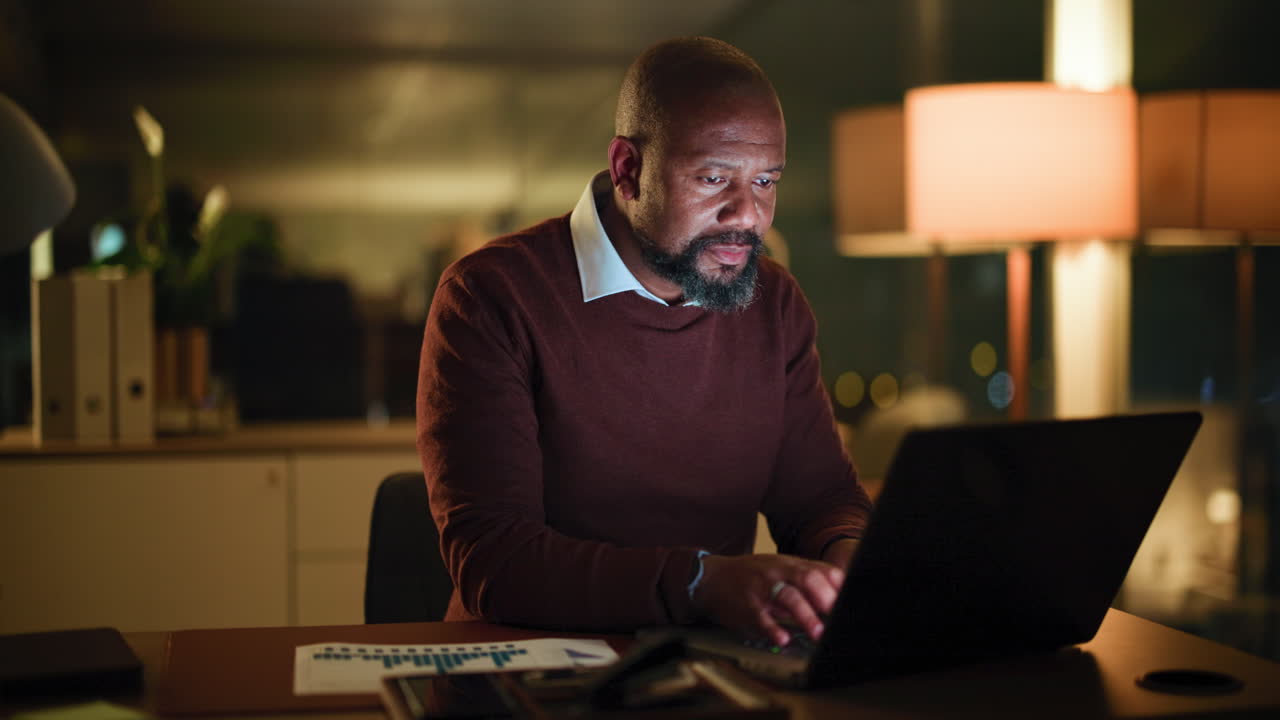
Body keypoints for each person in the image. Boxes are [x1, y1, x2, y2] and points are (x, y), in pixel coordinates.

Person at [416, 36, 872, 647]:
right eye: (714, 178)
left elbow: (819, 497)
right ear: (628, 169)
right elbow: (498, 563)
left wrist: (850, 559)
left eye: (766, 182)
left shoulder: (774, 302)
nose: (748, 215)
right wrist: (701, 585)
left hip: (707, 664)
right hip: (525, 667)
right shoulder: (491, 295)